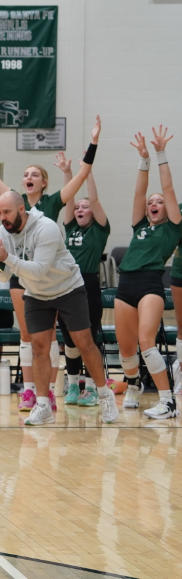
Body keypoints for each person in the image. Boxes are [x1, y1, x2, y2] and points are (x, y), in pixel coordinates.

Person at [0, 118, 118, 426]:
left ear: (20, 209)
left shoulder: (46, 227)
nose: (1, 218)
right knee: (40, 346)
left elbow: (41, 270)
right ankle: (43, 404)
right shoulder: (1, 233)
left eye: (5, 212)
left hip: (68, 288)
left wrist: (7, 260)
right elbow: (6, 277)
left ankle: (106, 396)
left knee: (84, 342)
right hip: (37, 294)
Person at [115, 127, 180, 419]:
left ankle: (167, 400)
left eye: (159, 202)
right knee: (126, 349)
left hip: (151, 283)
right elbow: (139, 191)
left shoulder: (173, 226)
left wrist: (160, 153)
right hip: (125, 283)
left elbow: (167, 190)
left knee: (146, 342)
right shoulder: (140, 225)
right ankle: (134, 385)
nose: (154, 203)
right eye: (151, 203)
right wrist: (143, 160)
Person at [55, 152, 110, 407]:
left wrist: (87, 172)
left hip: (88, 285)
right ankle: (73, 385)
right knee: (69, 340)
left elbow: (95, 199)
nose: (79, 209)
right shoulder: (71, 227)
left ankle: (91, 387)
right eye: (78, 207)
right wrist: (67, 173)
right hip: (66, 285)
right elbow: (68, 198)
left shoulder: (99, 230)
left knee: (88, 338)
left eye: (84, 207)